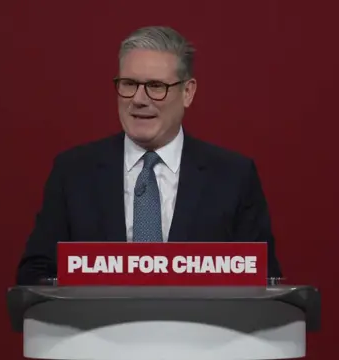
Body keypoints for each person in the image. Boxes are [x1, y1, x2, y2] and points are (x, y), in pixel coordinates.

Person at [16, 26, 282, 284]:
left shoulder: (233, 177)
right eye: (129, 84)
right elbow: (35, 276)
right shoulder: (73, 173)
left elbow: (264, 281)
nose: (139, 99)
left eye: (156, 86)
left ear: (187, 93)